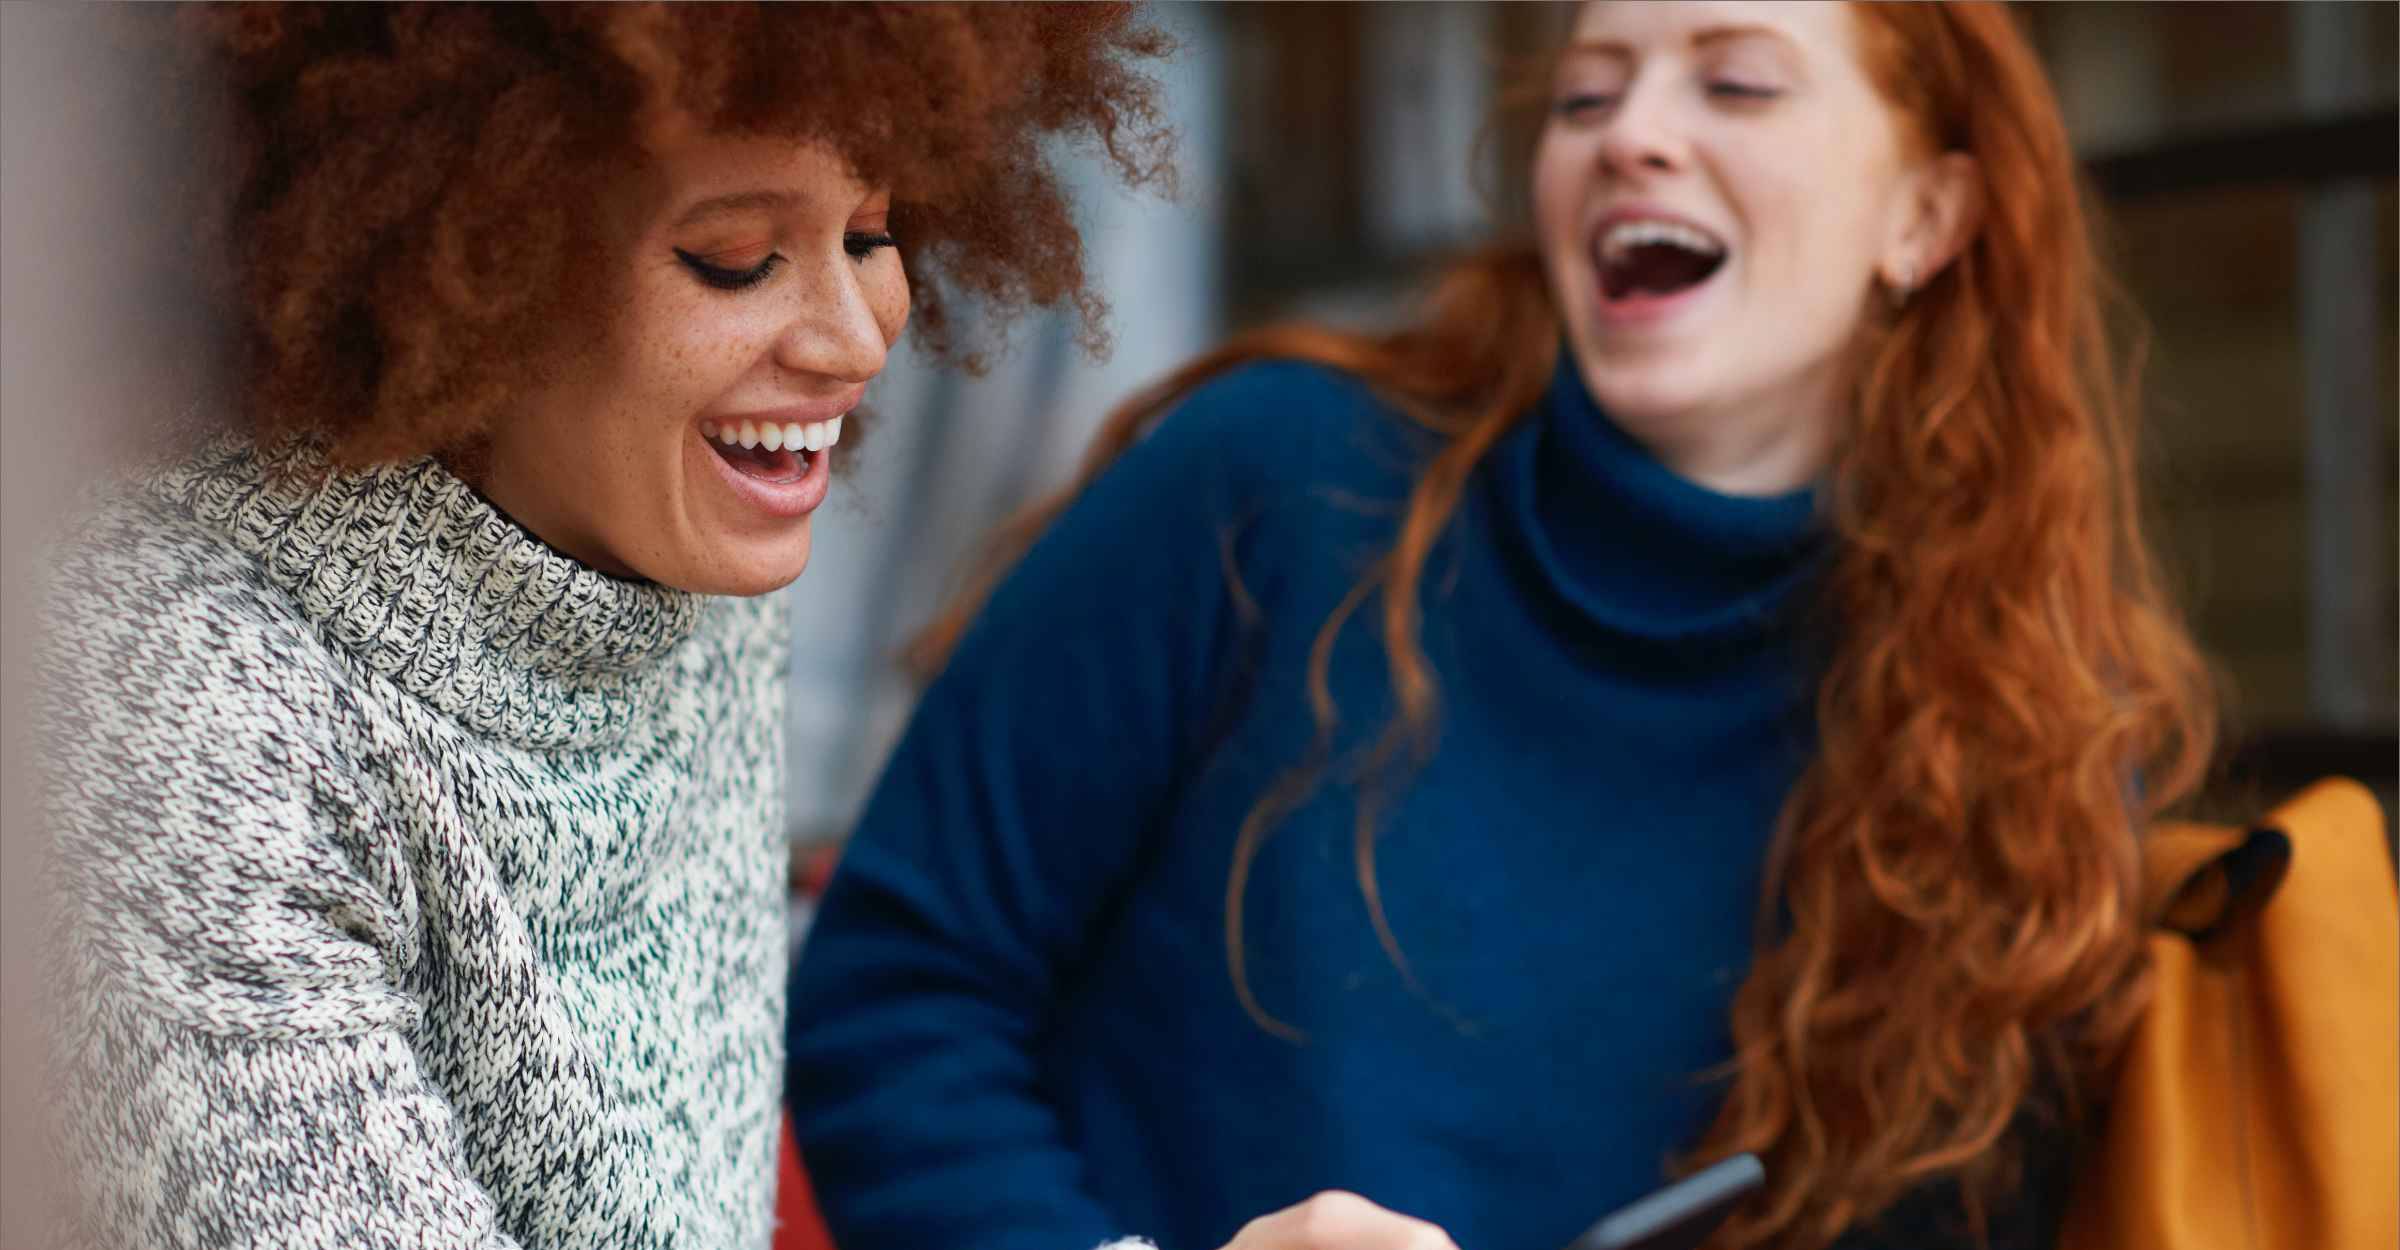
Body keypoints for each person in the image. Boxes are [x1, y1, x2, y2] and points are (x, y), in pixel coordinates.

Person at [785, 4, 2215, 1250]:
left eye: (1736, 83)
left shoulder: (2016, 735)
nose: (1630, 135)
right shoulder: (1270, 486)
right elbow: (892, 996)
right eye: (1587, 95)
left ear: (1926, 216)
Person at [34, 5, 1169, 1248]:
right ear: (469, 258)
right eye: (736, 256)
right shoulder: (167, 703)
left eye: (872, 233)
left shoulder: (676, 567)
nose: (854, 338)